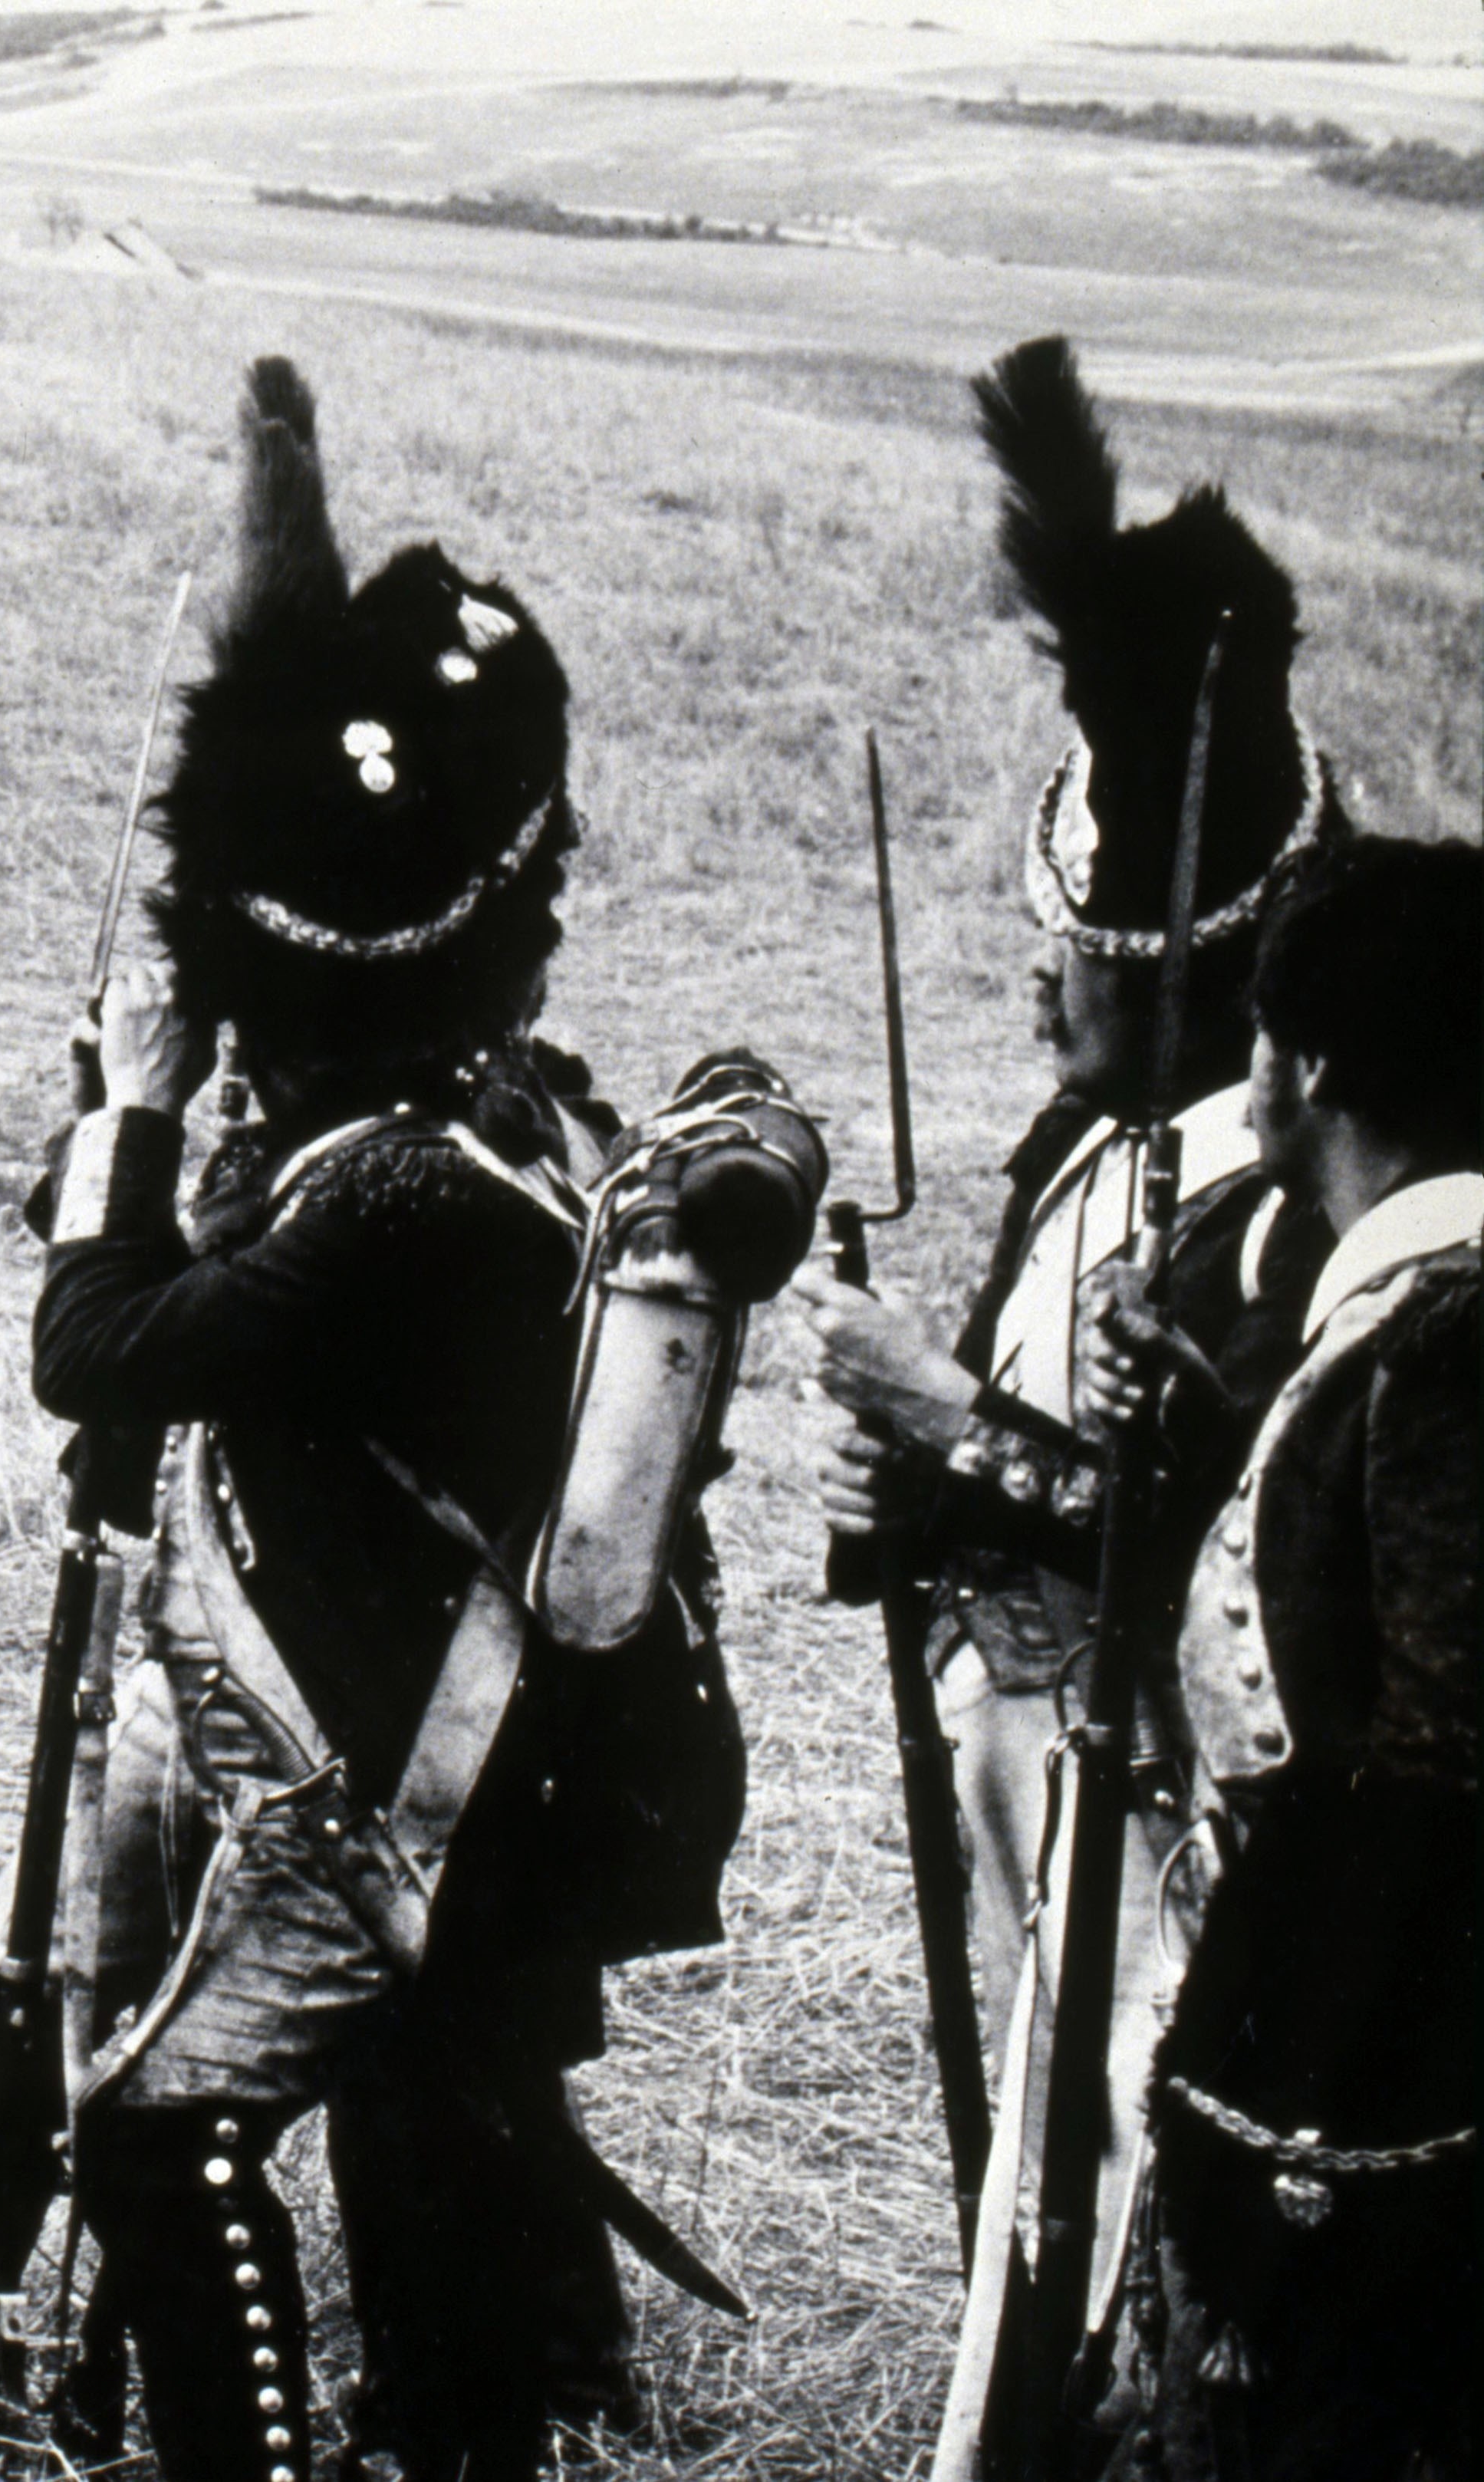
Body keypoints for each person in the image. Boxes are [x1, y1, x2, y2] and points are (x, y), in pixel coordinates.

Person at [29, 357, 745, 2482]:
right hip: (476, 1783)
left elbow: (97, 1348)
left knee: (161, 2143)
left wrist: (132, 1113)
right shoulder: (482, 1130)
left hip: (424, 1799)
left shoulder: (398, 1191)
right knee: (440, 2189)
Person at [794, 334, 1344, 2332]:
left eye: (1066, 967)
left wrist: (933, 1414)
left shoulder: (1281, 1215)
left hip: (1186, 1809)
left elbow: (1179, 1506)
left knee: (1140, 2211)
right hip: (1021, 1744)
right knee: (1040, 2197)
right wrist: (895, 1476)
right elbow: (980, 1461)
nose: (1038, 1003)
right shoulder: (1065, 1149)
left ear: (1161, 975)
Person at [1097, 836, 1476, 2482]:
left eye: (1254, 1042)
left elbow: (1441, 1759)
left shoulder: (1450, 1338)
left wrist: (1291, 2122)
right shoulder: (1397, 1316)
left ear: (1305, 1063)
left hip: (1384, 2105)